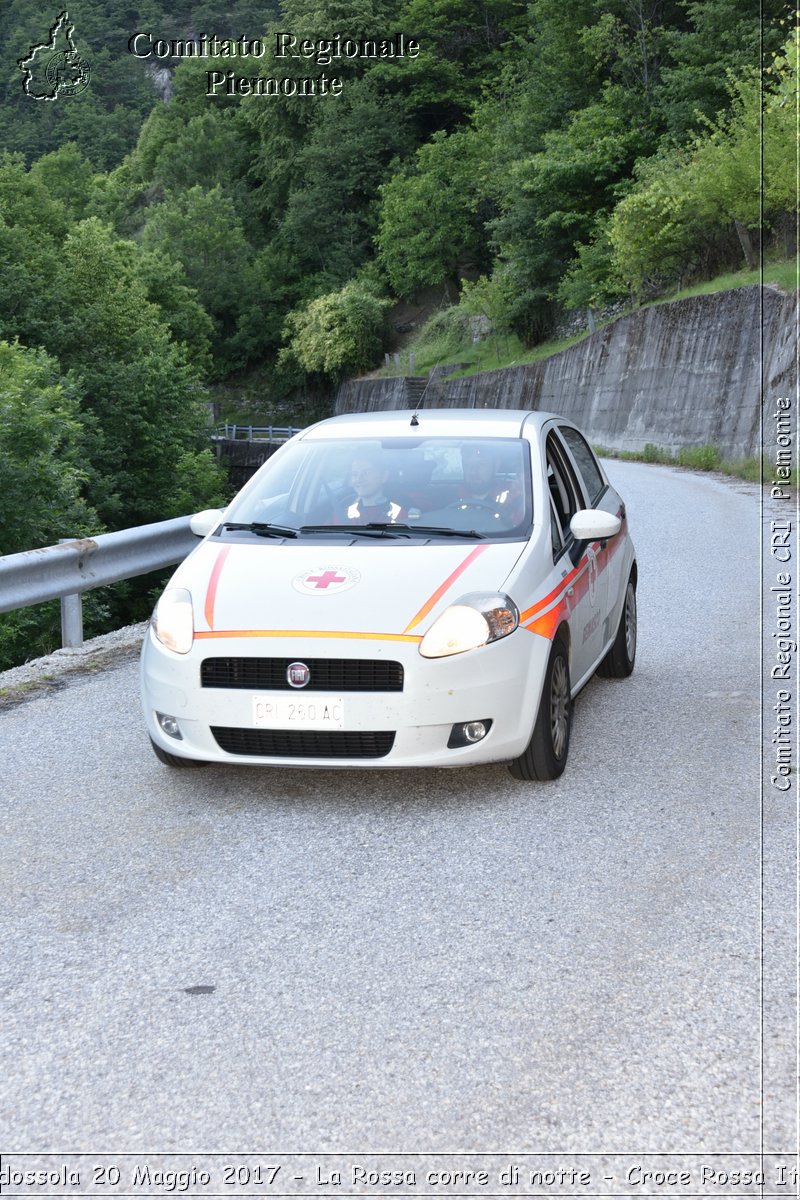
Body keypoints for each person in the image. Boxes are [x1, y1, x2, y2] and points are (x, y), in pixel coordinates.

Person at [341, 451, 405, 523]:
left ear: (384, 476)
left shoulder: (400, 514)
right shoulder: (342, 514)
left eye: (366, 473)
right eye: (354, 474)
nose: (359, 479)